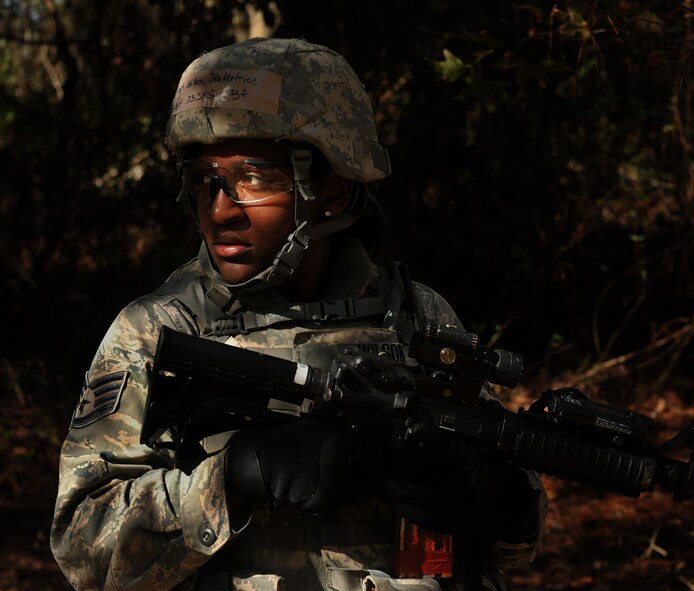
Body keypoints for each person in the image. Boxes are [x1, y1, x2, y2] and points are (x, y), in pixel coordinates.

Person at [50, 37, 547, 591]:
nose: (220, 210)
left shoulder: (416, 316)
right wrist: (235, 477)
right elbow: (83, 550)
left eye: (254, 178)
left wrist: (501, 504)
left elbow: (513, 541)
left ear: (330, 188)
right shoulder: (159, 330)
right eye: (202, 181)